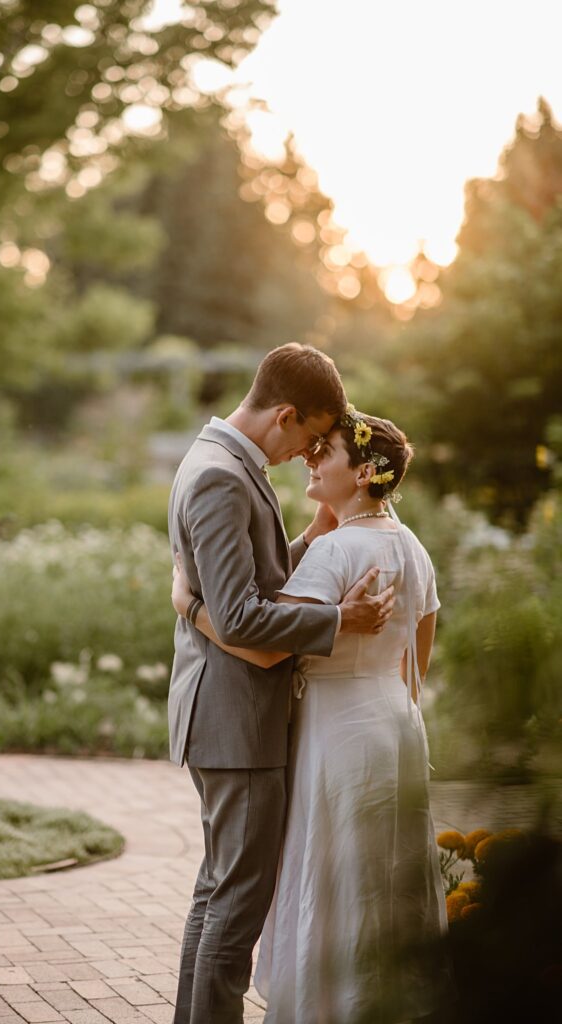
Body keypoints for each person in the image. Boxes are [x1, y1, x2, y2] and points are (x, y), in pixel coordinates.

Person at [172, 406, 451, 1024]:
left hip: (335, 732)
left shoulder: (334, 556)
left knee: (332, 878)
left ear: (361, 475)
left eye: (325, 452)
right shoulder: (413, 548)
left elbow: (267, 640)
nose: (311, 459)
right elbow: (416, 660)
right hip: (394, 725)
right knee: (386, 876)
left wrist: (188, 603)